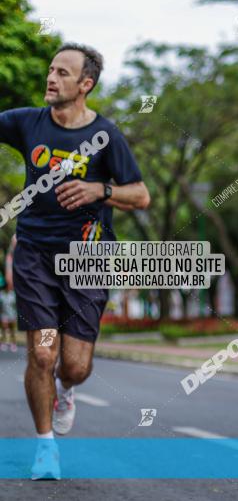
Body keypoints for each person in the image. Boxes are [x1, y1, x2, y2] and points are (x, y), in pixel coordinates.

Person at [0, 43, 150, 479]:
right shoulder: (27, 123)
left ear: (85, 84)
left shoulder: (106, 136)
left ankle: (67, 390)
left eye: (62, 73)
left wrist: (100, 191)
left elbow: (140, 195)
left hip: (90, 257)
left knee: (76, 366)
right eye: (51, 70)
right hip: (34, 254)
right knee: (42, 355)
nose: (51, 78)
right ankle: (45, 447)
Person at [0, 235, 17, 352]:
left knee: (11, 331)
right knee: (4, 330)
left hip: (12, 315)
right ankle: (4, 343)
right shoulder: (2, 294)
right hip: (4, 315)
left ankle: (12, 344)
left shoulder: (13, 294)